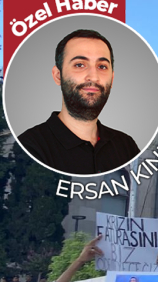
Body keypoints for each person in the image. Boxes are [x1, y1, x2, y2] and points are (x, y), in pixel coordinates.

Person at [17, 29, 140, 174]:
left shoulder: (126, 145)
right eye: (80, 65)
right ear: (58, 76)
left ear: (112, 79)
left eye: (102, 66)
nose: (93, 77)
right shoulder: (30, 145)